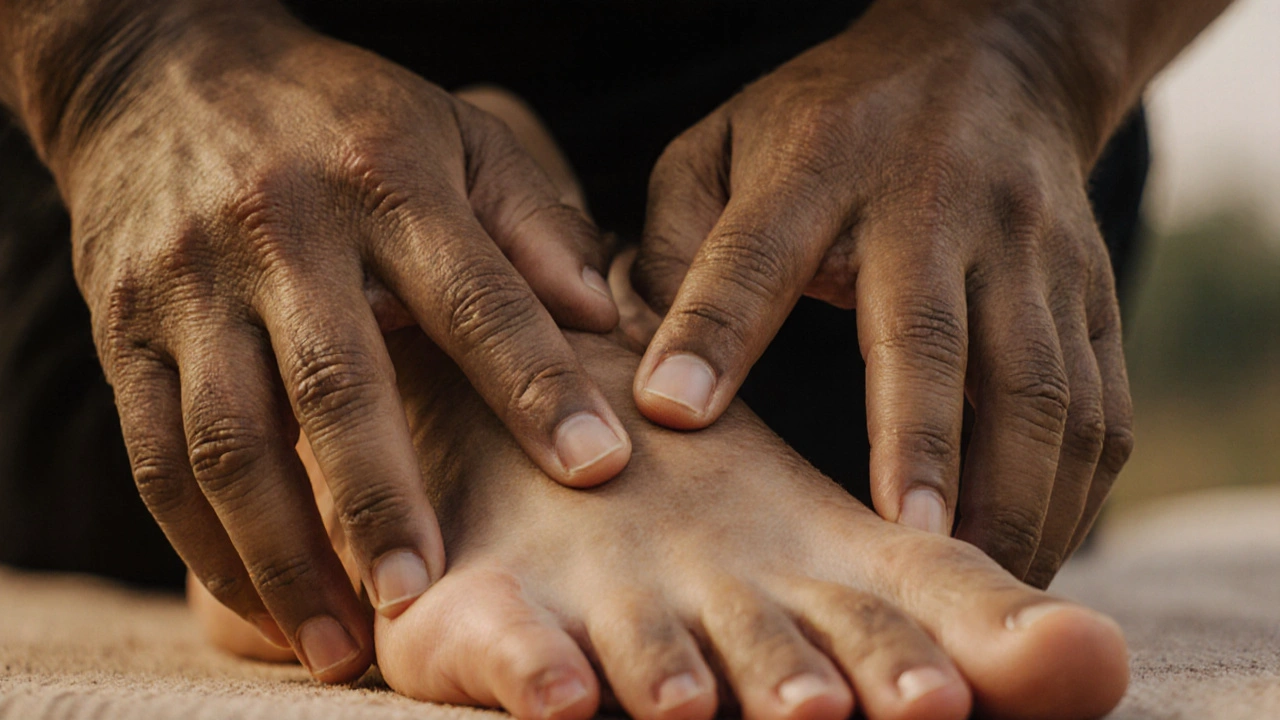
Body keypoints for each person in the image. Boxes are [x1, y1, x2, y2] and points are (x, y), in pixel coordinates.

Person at [0, 0, 1231, 697]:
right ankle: (424, 411)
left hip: (897, 130)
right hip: (151, 141)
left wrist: (1036, 45)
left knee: (887, 393)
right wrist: (112, 61)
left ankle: (395, 463)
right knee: (183, 370)